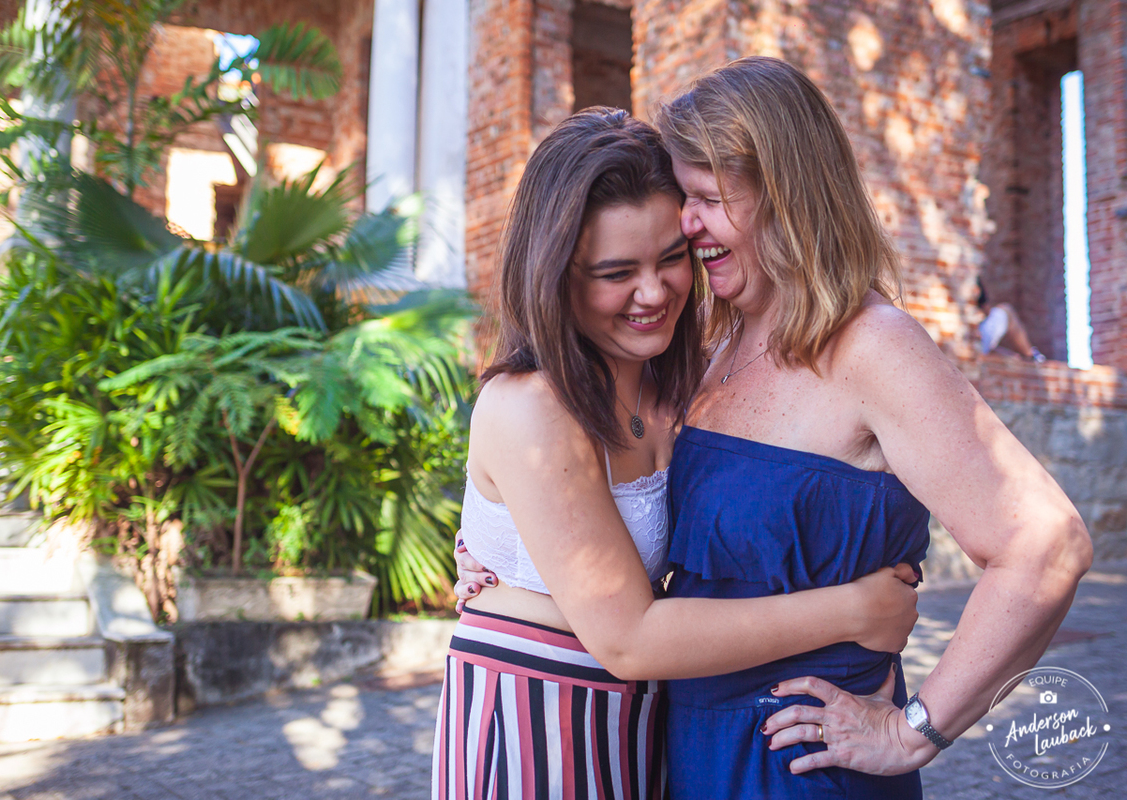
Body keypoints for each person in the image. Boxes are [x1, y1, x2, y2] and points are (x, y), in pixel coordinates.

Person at [459, 57, 1091, 799]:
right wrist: (508, 559)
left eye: (705, 200)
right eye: (685, 198)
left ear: (789, 196)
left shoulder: (872, 345)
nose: (687, 224)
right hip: (681, 750)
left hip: (801, 764)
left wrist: (914, 730)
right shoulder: (712, 350)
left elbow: (1046, 545)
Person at [434, 106, 921, 799]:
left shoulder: (690, 387)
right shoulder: (532, 405)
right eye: (616, 272)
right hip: (533, 716)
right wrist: (855, 611)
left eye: (670, 258)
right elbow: (628, 637)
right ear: (556, 275)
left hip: (648, 721)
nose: (653, 292)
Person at [976, 278, 1046, 362]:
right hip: (973, 343)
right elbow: (986, 311)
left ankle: (1025, 358)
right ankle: (1031, 357)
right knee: (1007, 311)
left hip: (973, 343)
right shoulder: (972, 279)